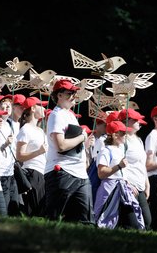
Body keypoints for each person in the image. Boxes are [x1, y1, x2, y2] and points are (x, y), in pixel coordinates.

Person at [45, 79, 94, 224]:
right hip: (61, 172)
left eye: (74, 93)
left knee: (87, 220)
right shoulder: (56, 115)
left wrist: (84, 145)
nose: (73, 96)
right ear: (59, 95)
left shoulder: (71, 115)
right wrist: (82, 137)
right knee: (55, 219)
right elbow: (61, 146)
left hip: (80, 174)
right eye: (69, 93)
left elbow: (74, 144)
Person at [94, 120, 145, 229]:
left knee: (132, 222)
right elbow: (101, 173)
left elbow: (122, 174)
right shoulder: (106, 151)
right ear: (114, 135)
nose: (126, 135)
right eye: (123, 133)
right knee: (106, 222)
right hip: (110, 190)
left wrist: (128, 184)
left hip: (123, 189)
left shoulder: (120, 150)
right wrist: (119, 166)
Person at [118, 108, 151, 230]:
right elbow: (119, 163)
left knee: (147, 221)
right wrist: (127, 183)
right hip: (129, 186)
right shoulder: (122, 140)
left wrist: (147, 184)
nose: (139, 122)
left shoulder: (139, 140)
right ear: (127, 121)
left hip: (140, 185)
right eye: (136, 120)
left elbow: (142, 164)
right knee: (132, 224)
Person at [15, 96, 48, 217]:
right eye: (42, 106)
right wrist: (38, 152)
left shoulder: (40, 130)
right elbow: (19, 156)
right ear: (33, 108)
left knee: (41, 211)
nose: (44, 108)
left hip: (42, 173)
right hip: (32, 173)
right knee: (34, 211)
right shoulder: (25, 129)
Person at [144, 104, 157, 230]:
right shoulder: (152, 136)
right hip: (155, 178)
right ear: (155, 119)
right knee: (156, 210)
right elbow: (148, 165)